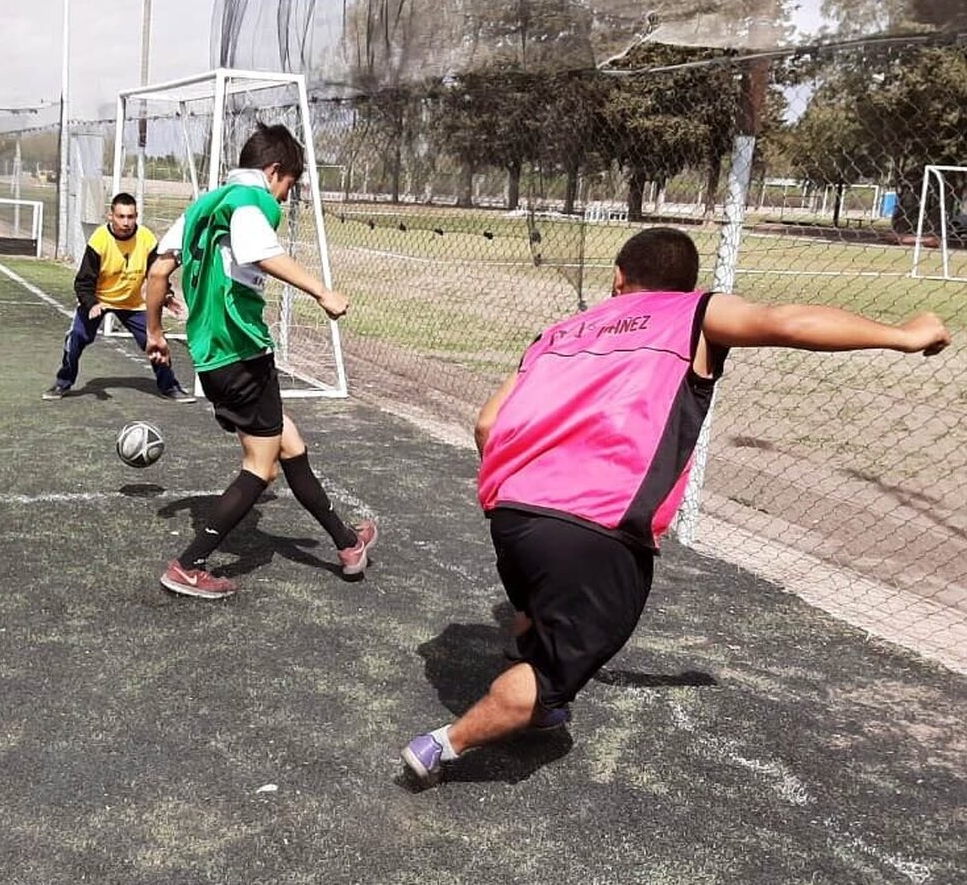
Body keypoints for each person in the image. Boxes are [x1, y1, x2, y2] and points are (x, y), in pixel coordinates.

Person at [400, 226, 951, 782]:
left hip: (513, 513)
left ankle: (532, 670)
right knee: (557, 663)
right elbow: (788, 320)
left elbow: (487, 423)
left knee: (540, 602)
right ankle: (444, 744)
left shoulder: (559, 332)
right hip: (597, 526)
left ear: (618, 278)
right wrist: (903, 335)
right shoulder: (694, 315)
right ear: (690, 284)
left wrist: (514, 489)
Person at [144, 123, 378, 599]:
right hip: (243, 353)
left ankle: (348, 544)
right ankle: (189, 564)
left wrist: (153, 331)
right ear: (273, 172)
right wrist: (322, 292)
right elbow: (258, 251)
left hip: (212, 356)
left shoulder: (201, 207)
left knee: (290, 444)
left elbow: (158, 269)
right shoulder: (251, 202)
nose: (286, 197)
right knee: (262, 465)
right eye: (289, 184)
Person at [42, 193, 194, 402]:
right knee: (76, 337)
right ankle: (63, 383)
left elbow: (156, 273)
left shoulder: (147, 239)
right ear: (110, 216)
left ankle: (169, 387)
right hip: (100, 301)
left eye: (130, 217)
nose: (126, 222)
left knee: (156, 341)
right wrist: (92, 303)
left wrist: (166, 296)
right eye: (121, 216)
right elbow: (83, 282)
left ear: (136, 216)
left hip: (133, 304)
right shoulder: (99, 240)